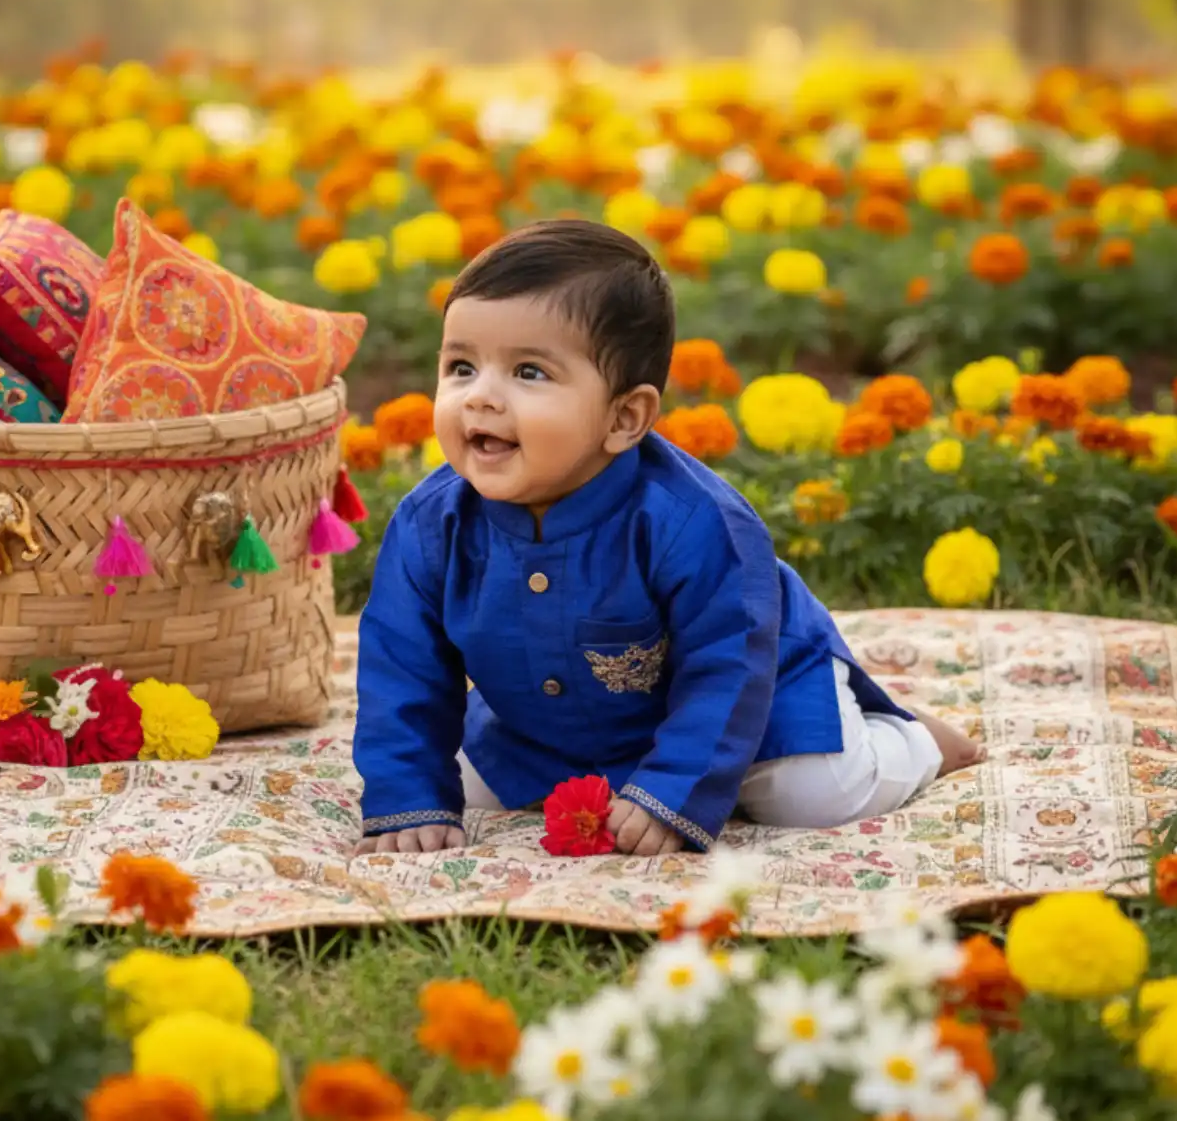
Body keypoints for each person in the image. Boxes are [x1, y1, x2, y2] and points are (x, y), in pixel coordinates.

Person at [352, 220, 982, 857]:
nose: (480, 397)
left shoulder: (693, 520)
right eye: (461, 366)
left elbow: (727, 665)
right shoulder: (430, 522)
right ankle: (647, 780)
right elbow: (402, 665)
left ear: (625, 418)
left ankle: (915, 742)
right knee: (452, 786)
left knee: (816, 797)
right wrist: (407, 795)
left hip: (755, 703)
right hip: (546, 726)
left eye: (529, 373)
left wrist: (675, 794)